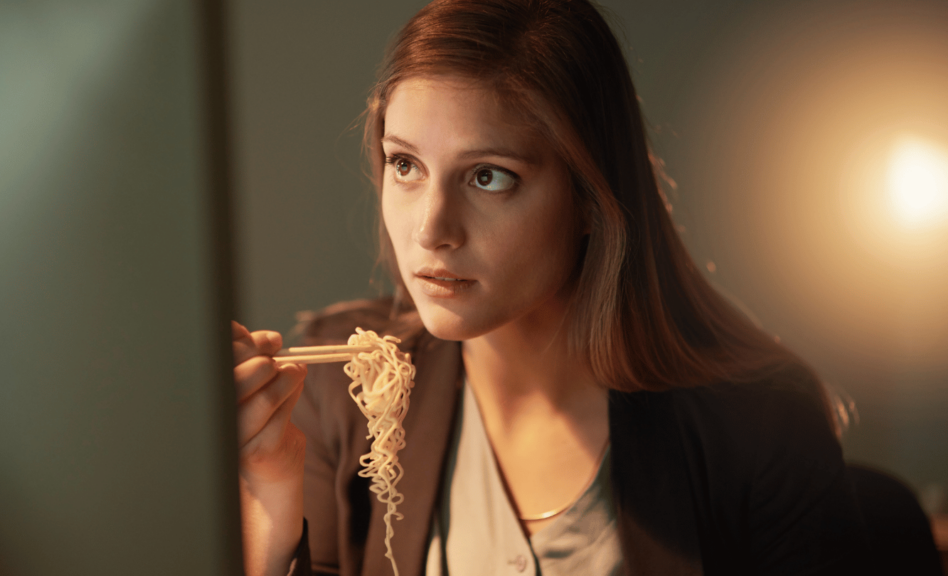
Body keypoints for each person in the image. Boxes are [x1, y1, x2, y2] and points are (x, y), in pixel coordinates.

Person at [231, 0, 869, 574]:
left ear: (590, 197)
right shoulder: (339, 396)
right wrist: (270, 507)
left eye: (488, 177)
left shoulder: (760, 427)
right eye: (406, 164)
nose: (431, 229)